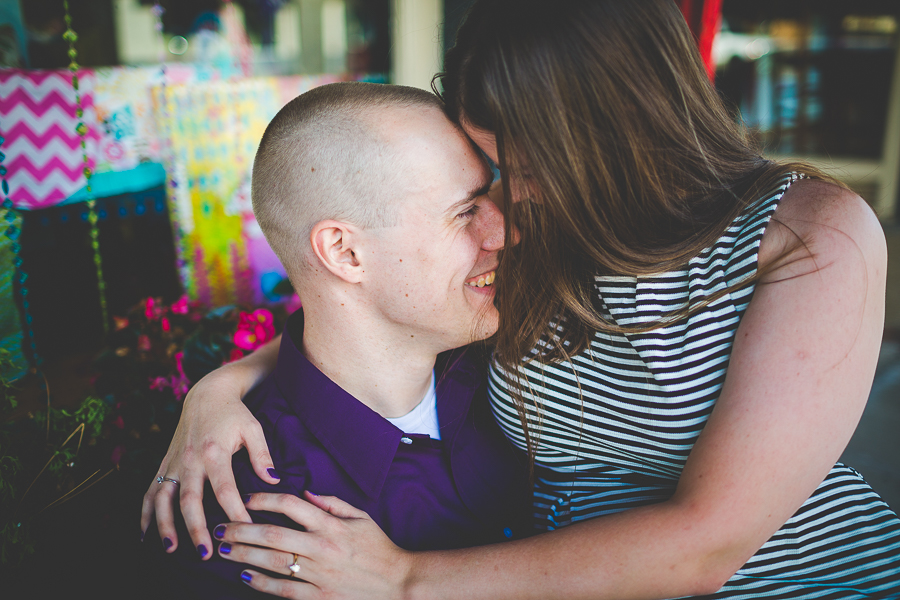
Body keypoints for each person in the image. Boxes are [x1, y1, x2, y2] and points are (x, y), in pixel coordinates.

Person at [143, 1, 900, 598]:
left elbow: (708, 545)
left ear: (610, 137)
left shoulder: (809, 236)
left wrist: (405, 584)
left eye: (521, 164)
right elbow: (375, 318)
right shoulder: (541, 227)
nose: (507, 210)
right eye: (489, 174)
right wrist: (223, 387)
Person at [150, 82, 531, 596]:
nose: (505, 232)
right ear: (345, 253)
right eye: (466, 212)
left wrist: (218, 382)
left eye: (492, 194)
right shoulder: (247, 511)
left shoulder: (517, 361)